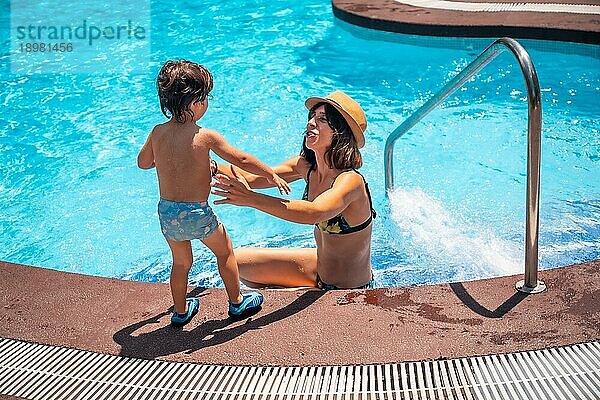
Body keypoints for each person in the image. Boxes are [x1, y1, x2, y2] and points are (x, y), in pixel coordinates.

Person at [137, 60, 290, 326]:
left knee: (181, 263)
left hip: (168, 213)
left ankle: (180, 312)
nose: (206, 103)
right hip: (197, 212)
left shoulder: (158, 132)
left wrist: (161, 161)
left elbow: (143, 163)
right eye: (205, 97)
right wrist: (271, 174)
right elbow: (241, 158)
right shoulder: (205, 136)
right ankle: (237, 303)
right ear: (195, 102)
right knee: (225, 251)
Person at [211, 91, 375, 290]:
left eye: (322, 119)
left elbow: (314, 212)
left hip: (350, 289)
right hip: (318, 271)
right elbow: (249, 177)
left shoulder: (351, 181)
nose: (311, 123)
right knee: (235, 262)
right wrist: (206, 164)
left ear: (340, 133)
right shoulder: (305, 167)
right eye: (312, 117)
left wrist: (251, 199)